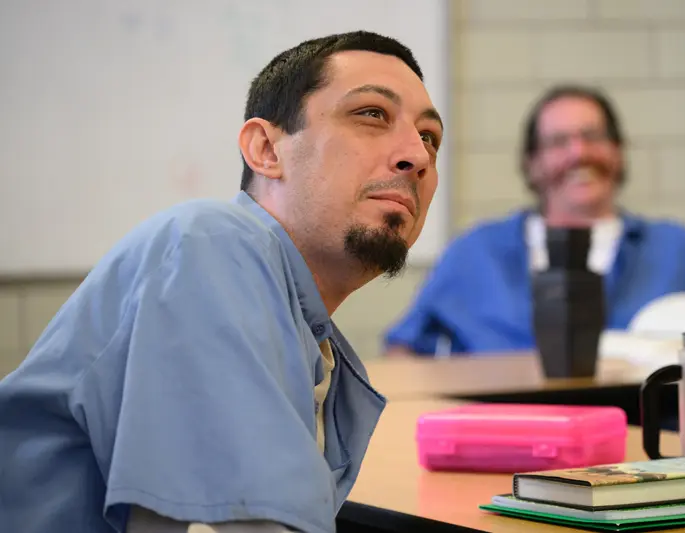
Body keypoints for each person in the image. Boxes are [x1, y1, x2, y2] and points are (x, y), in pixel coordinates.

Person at [0, 31, 442, 533]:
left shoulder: (311, 340)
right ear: (266, 149)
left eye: (430, 137)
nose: (418, 155)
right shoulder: (210, 245)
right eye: (371, 114)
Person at [384, 84, 685, 357]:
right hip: (505, 449)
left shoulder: (677, 249)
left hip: (647, 449)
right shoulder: (476, 253)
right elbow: (402, 351)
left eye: (593, 136)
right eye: (558, 142)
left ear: (618, 151)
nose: (579, 153)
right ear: (532, 163)